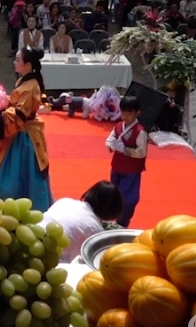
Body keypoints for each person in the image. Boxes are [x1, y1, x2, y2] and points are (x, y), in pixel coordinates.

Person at [0, 47, 52, 211]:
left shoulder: (31, 86)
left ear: (27, 65)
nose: (14, 63)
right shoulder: (27, 81)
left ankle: (11, 205)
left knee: (16, 174)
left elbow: (19, 116)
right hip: (19, 130)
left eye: (17, 60)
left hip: (22, 134)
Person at [40, 181, 124, 263]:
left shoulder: (64, 201)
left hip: (33, 240)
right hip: (51, 265)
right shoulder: (95, 230)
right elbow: (94, 262)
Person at [105, 96, 148, 227]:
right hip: (117, 166)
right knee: (114, 195)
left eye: (129, 113)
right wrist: (111, 145)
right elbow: (109, 139)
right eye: (123, 112)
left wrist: (125, 149)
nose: (125, 116)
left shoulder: (140, 131)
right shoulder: (118, 126)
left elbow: (142, 152)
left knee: (129, 198)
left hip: (131, 170)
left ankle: (122, 222)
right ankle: (111, 217)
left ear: (137, 113)